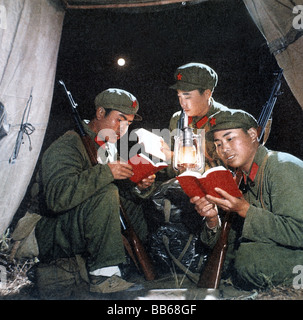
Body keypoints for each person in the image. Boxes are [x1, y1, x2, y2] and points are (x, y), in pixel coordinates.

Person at [31, 88, 156, 294]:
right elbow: (56, 198)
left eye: (129, 123)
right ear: (100, 113)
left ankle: (134, 261)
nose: (123, 129)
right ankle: (104, 275)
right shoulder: (69, 144)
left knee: (131, 204)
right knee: (106, 194)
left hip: (77, 226)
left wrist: (139, 186)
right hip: (50, 232)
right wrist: (106, 172)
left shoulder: (107, 147)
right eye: (119, 120)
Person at [191, 109, 303, 290]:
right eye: (218, 144)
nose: (224, 148)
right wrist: (212, 219)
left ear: (252, 135)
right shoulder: (243, 178)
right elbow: (230, 241)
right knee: (236, 256)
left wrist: (245, 210)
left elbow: (300, 232)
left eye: (230, 138)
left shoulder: (282, 167)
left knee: (250, 261)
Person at [162, 62, 230, 172]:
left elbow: (230, 167)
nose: (182, 103)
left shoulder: (227, 120)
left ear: (207, 94)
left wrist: (175, 157)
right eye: (179, 96)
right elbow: (169, 171)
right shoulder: (178, 119)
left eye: (188, 97)